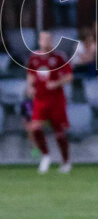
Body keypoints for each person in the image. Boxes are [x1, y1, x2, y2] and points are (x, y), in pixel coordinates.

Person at [26, 30, 73, 174]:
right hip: (40, 99)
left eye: (49, 39)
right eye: (44, 39)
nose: (46, 42)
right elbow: (30, 74)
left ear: (52, 42)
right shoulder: (34, 57)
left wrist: (57, 83)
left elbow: (69, 76)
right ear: (39, 41)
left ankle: (65, 161)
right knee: (35, 128)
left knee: (59, 132)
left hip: (56, 100)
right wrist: (30, 87)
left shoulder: (58, 57)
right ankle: (46, 155)